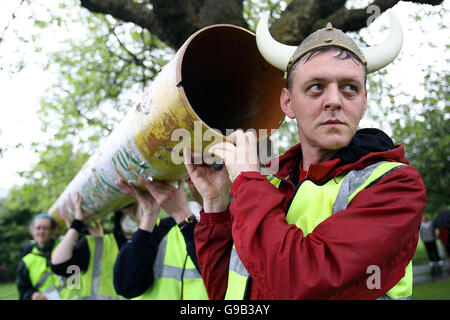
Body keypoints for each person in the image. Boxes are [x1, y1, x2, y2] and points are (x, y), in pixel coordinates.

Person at [183, 13, 426, 300]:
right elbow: (227, 290)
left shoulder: (397, 185)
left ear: (363, 103)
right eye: (316, 87)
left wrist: (248, 182)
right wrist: (216, 203)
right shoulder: (269, 183)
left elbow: (298, 282)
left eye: (350, 88)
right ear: (287, 102)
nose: (334, 100)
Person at [113, 176, 208, 300]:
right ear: (190, 182)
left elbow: (221, 280)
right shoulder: (162, 230)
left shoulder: (232, 229)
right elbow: (126, 286)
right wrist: (149, 214)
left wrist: (181, 213)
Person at [50, 192, 139, 300]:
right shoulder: (98, 244)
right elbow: (58, 264)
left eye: (135, 210)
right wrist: (77, 224)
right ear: (118, 215)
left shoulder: (158, 238)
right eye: (127, 209)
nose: (131, 214)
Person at [17, 213, 73, 300]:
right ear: (32, 231)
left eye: (46, 228)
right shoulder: (27, 261)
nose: (41, 232)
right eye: (38, 228)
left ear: (53, 231)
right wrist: (32, 295)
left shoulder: (67, 248)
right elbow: (23, 291)